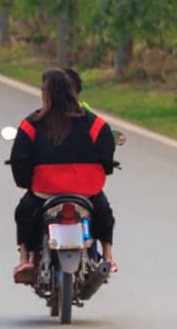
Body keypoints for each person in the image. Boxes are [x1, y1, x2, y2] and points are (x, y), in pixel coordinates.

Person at [9, 69, 117, 283]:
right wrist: (104, 168)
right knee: (104, 214)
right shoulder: (94, 123)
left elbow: (20, 157)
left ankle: (25, 258)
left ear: (46, 93)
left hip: (45, 190)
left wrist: (26, 181)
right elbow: (107, 152)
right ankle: (108, 256)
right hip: (86, 189)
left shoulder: (31, 124)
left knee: (24, 213)